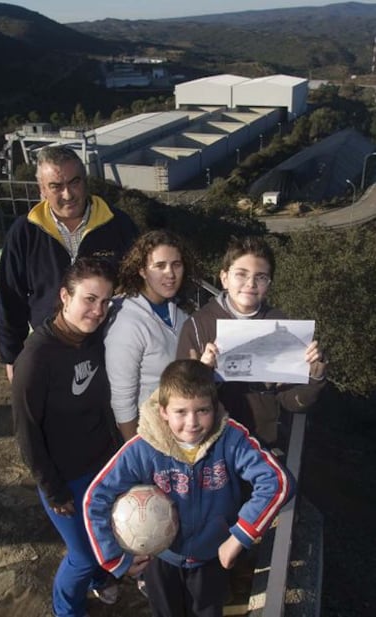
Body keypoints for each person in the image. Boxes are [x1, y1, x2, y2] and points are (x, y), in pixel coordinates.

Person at [83, 359, 296, 617]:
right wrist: (115, 559)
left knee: (207, 612)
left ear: (215, 408)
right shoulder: (143, 448)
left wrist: (239, 537)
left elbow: (278, 481)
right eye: (180, 412)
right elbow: (95, 498)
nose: (192, 422)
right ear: (163, 411)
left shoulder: (230, 439)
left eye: (202, 410)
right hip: (161, 557)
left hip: (212, 555)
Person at [11, 257, 120, 617]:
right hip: (65, 478)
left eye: (105, 302)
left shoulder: (93, 340)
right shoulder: (36, 358)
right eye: (89, 299)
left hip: (102, 465)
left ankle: (98, 580)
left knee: (104, 541)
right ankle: (66, 610)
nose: (98, 310)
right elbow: (26, 431)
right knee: (84, 556)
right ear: (64, 295)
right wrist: (53, 488)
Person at [0, 144, 138, 382]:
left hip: (109, 348)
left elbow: (138, 286)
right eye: (56, 186)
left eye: (74, 182)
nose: (68, 194)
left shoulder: (119, 224)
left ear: (85, 181)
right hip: (48, 350)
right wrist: (12, 356)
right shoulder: (25, 232)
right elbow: (9, 297)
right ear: (42, 189)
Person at [176, 236, 327, 451]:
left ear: (269, 284)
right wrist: (202, 372)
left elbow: (292, 401)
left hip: (262, 444)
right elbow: (180, 398)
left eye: (261, 277)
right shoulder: (197, 327)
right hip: (211, 444)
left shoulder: (282, 324)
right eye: (241, 274)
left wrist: (315, 376)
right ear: (224, 278)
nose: (250, 284)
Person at [104, 229, 195, 442]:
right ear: (142, 270)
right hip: (147, 437)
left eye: (176, 265)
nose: (170, 274)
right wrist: (135, 452)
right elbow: (122, 401)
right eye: (159, 266)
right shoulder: (125, 322)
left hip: (181, 430)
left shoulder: (180, 313)